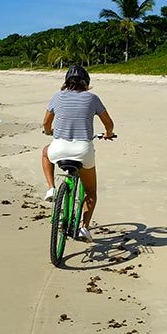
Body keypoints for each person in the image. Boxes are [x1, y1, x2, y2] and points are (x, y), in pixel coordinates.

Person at [41, 64, 115, 243]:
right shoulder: (92, 98)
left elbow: (45, 123)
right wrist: (108, 134)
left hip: (59, 148)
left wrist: (49, 131)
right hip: (83, 150)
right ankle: (84, 228)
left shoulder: (57, 97)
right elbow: (109, 124)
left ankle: (51, 188)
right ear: (86, 82)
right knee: (91, 191)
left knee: (45, 153)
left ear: (66, 82)